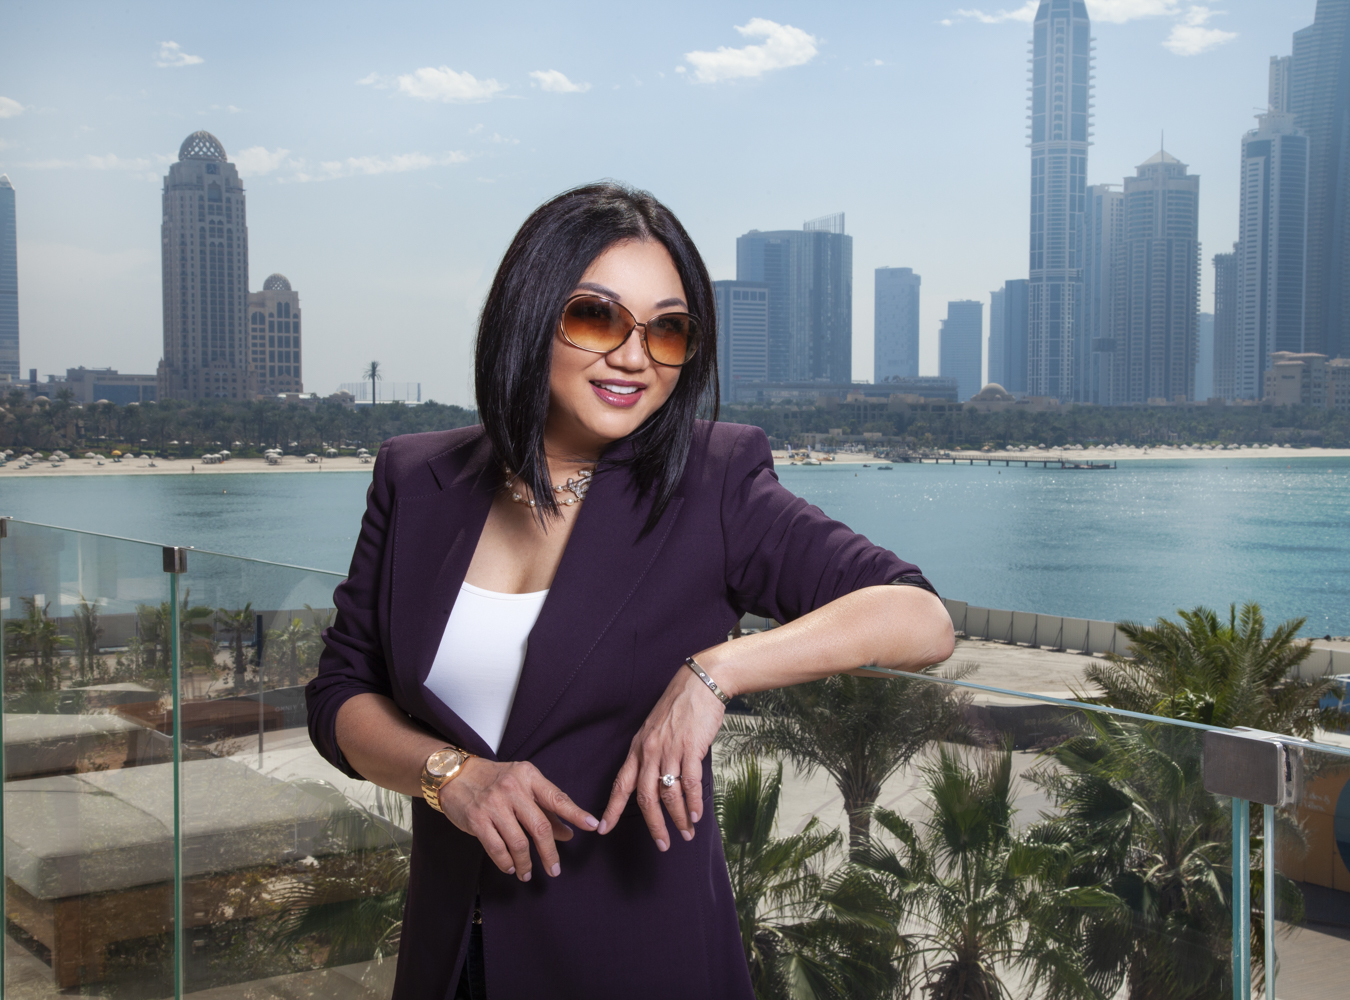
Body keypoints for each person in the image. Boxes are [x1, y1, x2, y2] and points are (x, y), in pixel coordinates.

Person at [305, 183, 955, 1000]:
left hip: (640, 963)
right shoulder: (416, 478)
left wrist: (715, 672)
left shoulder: (715, 482)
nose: (634, 356)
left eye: (667, 330)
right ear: (528, 315)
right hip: (449, 962)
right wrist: (449, 775)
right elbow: (340, 693)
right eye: (596, 317)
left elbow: (919, 616)